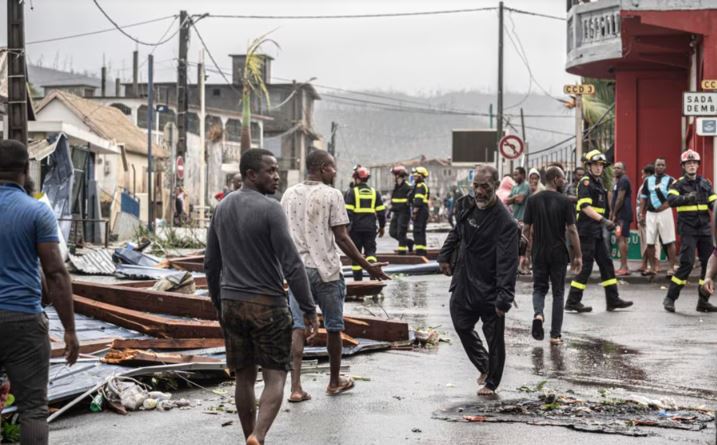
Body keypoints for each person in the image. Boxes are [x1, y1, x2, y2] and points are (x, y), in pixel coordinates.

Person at [204, 148, 319, 445]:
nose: (277, 176)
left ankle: (250, 436)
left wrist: (219, 303)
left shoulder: (221, 208)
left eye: (277, 170)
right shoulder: (271, 209)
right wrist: (308, 308)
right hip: (267, 305)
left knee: (243, 377)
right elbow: (292, 264)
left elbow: (210, 264)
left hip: (232, 304)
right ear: (251, 175)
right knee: (275, 376)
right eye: (270, 170)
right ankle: (259, 435)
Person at [282, 150, 389, 403]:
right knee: (333, 327)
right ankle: (333, 382)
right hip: (327, 271)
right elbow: (342, 237)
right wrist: (367, 266)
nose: (335, 171)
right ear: (320, 168)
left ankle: (296, 388)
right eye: (331, 167)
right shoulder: (332, 195)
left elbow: (283, 236)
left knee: (297, 326)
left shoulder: (288, 194)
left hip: (298, 271)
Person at [0, 139, 79, 445]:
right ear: (25, 169)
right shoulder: (36, 212)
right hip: (23, 321)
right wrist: (70, 329)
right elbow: (56, 273)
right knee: (33, 409)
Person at [437, 165, 519, 396]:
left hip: (490, 284)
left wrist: (504, 298)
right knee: (461, 323)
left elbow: (507, 262)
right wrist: (444, 256)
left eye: (485, 187)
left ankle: (492, 382)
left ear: (495, 186)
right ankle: (484, 365)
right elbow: (457, 232)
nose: (480, 192)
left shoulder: (506, 223)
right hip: (465, 278)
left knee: (494, 336)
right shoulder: (467, 205)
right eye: (476, 186)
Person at [566, 150, 633, 313]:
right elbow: (585, 207)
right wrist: (603, 220)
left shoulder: (599, 183)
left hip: (596, 231)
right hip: (587, 231)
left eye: (601, 165)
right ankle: (572, 301)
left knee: (607, 264)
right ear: (589, 166)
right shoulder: (586, 183)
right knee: (586, 266)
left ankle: (613, 300)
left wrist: (608, 218)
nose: (598, 168)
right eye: (595, 165)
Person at [523, 166, 582, 345]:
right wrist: (578, 255)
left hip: (539, 252)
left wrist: (525, 254)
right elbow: (572, 230)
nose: (564, 181)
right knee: (558, 293)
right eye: (563, 178)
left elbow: (526, 229)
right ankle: (555, 336)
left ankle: (538, 314)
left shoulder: (533, 200)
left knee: (539, 288)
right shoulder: (565, 201)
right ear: (556, 179)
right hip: (558, 252)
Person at [662, 150, 717, 313]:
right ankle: (670, 298)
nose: (692, 165)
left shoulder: (705, 183)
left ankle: (703, 301)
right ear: (684, 166)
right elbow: (671, 201)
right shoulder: (677, 184)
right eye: (688, 163)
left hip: (705, 229)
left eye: (694, 163)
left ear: (698, 165)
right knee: (687, 263)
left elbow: (713, 203)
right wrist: (687, 198)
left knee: (709, 265)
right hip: (688, 229)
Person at [344, 167, 386, 281]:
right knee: (371, 252)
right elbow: (381, 212)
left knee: (356, 254)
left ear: (356, 179)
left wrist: (346, 229)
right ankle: (373, 275)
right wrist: (382, 227)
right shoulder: (374, 192)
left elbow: (348, 213)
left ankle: (358, 281)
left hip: (356, 229)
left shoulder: (352, 192)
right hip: (370, 228)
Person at [639, 157, 678, 276]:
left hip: (665, 213)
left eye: (662, 165)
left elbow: (674, 197)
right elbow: (643, 198)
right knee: (650, 243)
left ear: (665, 167)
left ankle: (671, 268)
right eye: (658, 165)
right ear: (654, 166)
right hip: (651, 214)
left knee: (669, 241)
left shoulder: (671, 180)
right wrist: (641, 213)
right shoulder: (647, 180)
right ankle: (652, 268)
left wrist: (665, 206)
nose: (660, 167)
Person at [636, 164, 660, 275]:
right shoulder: (647, 184)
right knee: (644, 241)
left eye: (643, 174)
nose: (642, 176)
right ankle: (644, 264)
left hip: (647, 215)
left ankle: (654, 264)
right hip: (643, 213)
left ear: (649, 174)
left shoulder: (651, 185)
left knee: (651, 240)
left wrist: (642, 214)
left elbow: (647, 201)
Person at [610, 162, 633, 276]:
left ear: (624, 170)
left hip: (622, 214)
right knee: (621, 239)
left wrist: (614, 214)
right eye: (614, 168)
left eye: (618, 168)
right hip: (620, 214)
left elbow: (620, 198)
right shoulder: (618, 181)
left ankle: (624, 267)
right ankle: (623, 266)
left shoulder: (623, 180)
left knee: (621, 239)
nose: (615, 169)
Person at [506, 167, 530, 273]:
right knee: (517, 244)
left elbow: (520, 200)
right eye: (514, 174)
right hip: (515, 219)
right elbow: (507, 201)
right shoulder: (515, 187)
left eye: (517, 174)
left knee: (525, 244)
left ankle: (524, 267)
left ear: (523, 175)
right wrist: (515, 197)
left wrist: (514, 198)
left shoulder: (525, 185)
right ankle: (517, 266)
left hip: (525, 218)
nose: (515, 176)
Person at [388, 165, 413, 253]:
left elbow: (408, 202)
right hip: (396, 213)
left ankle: (402, 252)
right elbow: (394, 201)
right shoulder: (396, 187)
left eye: (394, 175)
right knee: (392, 232)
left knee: (401, 233)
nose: (393, 178)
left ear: (398, 176)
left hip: (404, 213)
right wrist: (390, 211)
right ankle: (409, 242)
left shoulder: (408, 187)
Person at [410, 166, 431, 256]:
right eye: (414, 176)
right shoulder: (423, 186)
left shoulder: (420, 186)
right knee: (421, 231)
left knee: (417, 231)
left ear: (421, 176)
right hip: (424, 210)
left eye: (416, 176)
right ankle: (423, 251)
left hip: (420, 210)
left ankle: (419, 252)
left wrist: (414, 212)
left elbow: (418, 201)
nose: (414, 178)